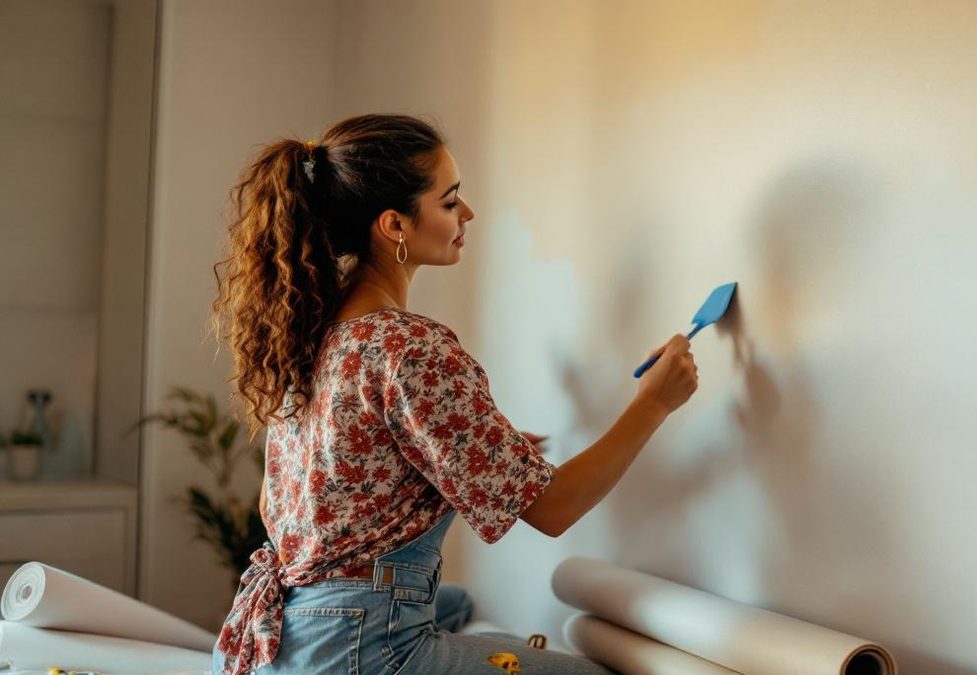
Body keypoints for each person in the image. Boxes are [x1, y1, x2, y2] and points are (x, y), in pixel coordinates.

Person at [207, 113, 699, 674]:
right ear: (394, 224)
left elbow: (283, 503)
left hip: (294, 637)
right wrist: (654, 403)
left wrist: (471, 454)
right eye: (449, 201)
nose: (466, 214)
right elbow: (553, 508)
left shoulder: (312, 336)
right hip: (360, 649)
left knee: (458, 603)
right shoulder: (408, 346)